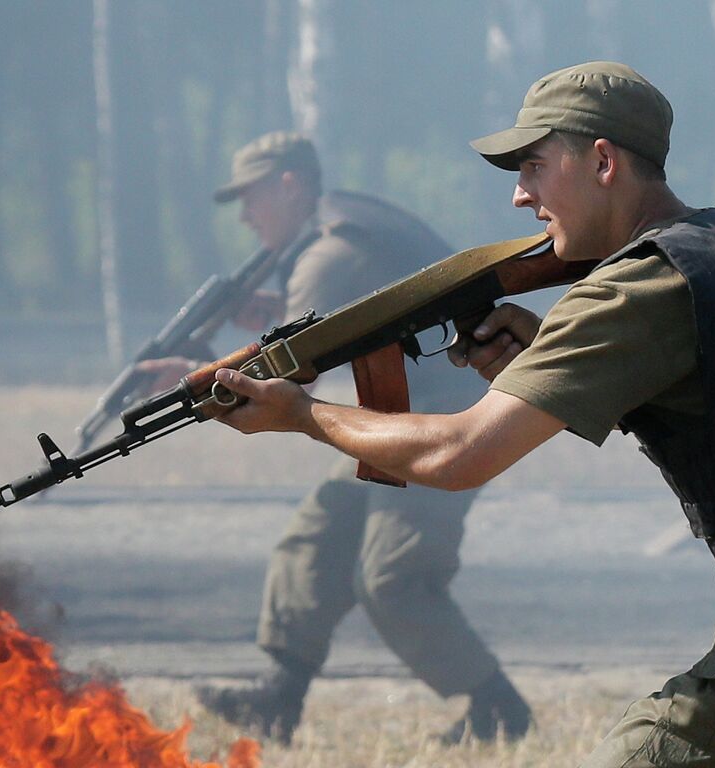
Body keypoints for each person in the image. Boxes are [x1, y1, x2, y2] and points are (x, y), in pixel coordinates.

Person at [208, 62, 715, 766]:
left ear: (601, 161)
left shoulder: (637, 286)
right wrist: (573, 368)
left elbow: (458, 454)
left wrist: (304, 413)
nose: (522, 197)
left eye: (533, 167)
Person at [147, 131, 531, 745]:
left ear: (290, 186)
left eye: (252, 198)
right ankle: (280, 695)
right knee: (316, 537)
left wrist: (194, 383)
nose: (246, 216)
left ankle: (497, 709)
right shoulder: (341, 228)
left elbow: (287, 368)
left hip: (445, 424)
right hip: (402, 412)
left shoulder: (333, 251)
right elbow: (336, 324)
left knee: (393, 579)